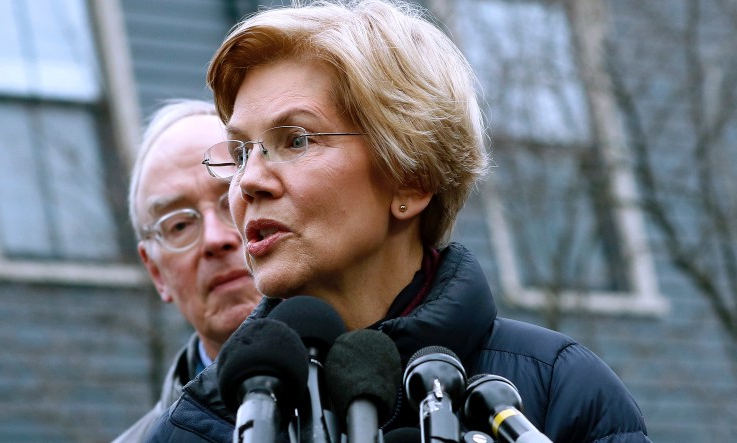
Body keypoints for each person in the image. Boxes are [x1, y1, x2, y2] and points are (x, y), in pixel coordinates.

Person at [148, 1, 651, 442]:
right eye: (239, 152)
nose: (247, 182)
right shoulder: (195, 425)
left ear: (410, 179)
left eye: (296, 140)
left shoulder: (557, 390)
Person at [111, 100, 262, 442]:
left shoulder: (398, 392)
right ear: (157, 273)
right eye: (179, 226)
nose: (214, 239)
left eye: (231, 198)